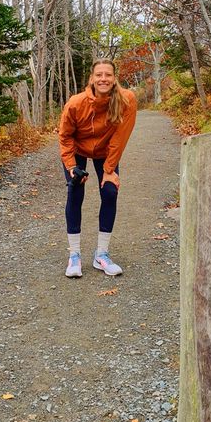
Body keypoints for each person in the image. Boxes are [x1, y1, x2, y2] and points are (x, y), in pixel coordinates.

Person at [58, 58, 137, 278]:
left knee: (110, 192)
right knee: (75, 191)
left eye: (108, 75)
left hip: (104, 151)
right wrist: (72, 167)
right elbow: (64, 136)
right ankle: (74, 255)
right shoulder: (76, 103)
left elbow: (120, 138)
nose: (103, 79)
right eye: (99, 75)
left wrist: (109, 170)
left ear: (114, 79)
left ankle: (101, 254)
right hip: (77, 149)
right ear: (92, 78)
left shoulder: (126, 100)